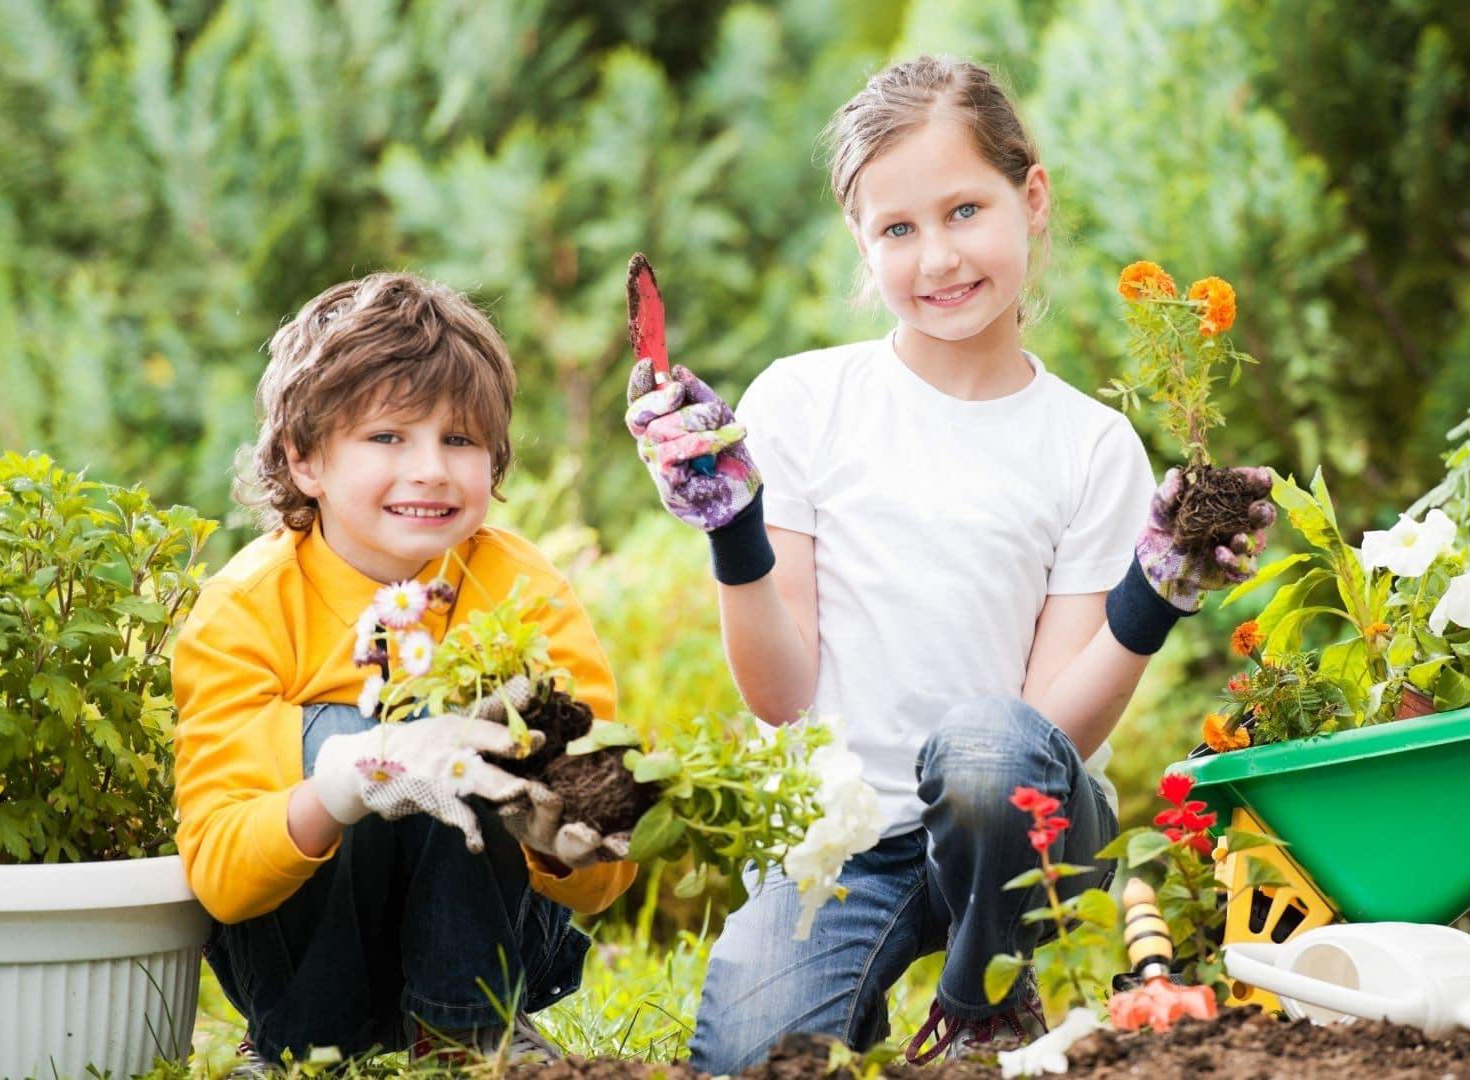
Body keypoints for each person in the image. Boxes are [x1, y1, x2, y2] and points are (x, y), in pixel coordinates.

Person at [623, 56, 1275, 1072]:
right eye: (898, 229)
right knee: (750, 1061)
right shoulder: (802, 402)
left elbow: (1052, 731)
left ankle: (985, 1003)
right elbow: (782, 696)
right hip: (837, 839)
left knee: (982, 744)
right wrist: (733, 531)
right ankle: (859, 992)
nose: (938, 257)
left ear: (1033, 197)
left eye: (965, 209)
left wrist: (1153, 599)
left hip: (1023, 832)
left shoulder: (1089, 446)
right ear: (861, 241)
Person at [172, 272, 639, 1069]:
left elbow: (606, 872)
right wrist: (345, 778)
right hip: (306, 967)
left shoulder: (524, 591)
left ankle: (472, 1030)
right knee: (343, 732)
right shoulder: (246, 608)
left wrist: (561, 832)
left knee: (497, 725)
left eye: (459, 440)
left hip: (494, 954)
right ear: (305, 458)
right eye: (388, 437)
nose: (430, 469)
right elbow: (219, 873)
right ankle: (304, 1043)